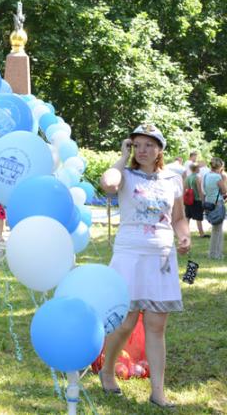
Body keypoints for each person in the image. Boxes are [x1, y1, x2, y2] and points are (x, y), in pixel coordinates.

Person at [99, 123, 190, 408]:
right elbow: (108, 184)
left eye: (148, 145)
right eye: (136, 144)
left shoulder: (174, 179)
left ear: (160, 149)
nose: (142, 150)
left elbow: (178, 217)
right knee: (125, 322)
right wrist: (122, 156)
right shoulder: (124, 175)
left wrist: (184, 235)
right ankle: (106, 370)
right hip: (129, 255)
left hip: (161, 258)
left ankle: (158, 392)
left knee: (156, 324)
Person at [203, 157, 227, 260]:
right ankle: (215, 254)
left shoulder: (206, 176)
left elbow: (204, 190)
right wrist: (224, 180)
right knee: (218, 230)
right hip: (218, 204)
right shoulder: (218, 177)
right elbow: (224, 191)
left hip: (209, 203)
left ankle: (214, 253)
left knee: (215, 229)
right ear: (220, 166)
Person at [185, 163, 207, 238]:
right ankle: (201, 234)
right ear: (196, 169)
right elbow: (199, 190)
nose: (199, 169)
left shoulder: (188, 177)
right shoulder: (197, 177)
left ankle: (185, 233)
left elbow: (187, 188)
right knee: (198, 217)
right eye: (198, 168)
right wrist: (203, 200)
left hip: (189, 200)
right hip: (197, 199)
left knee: (188, 216)